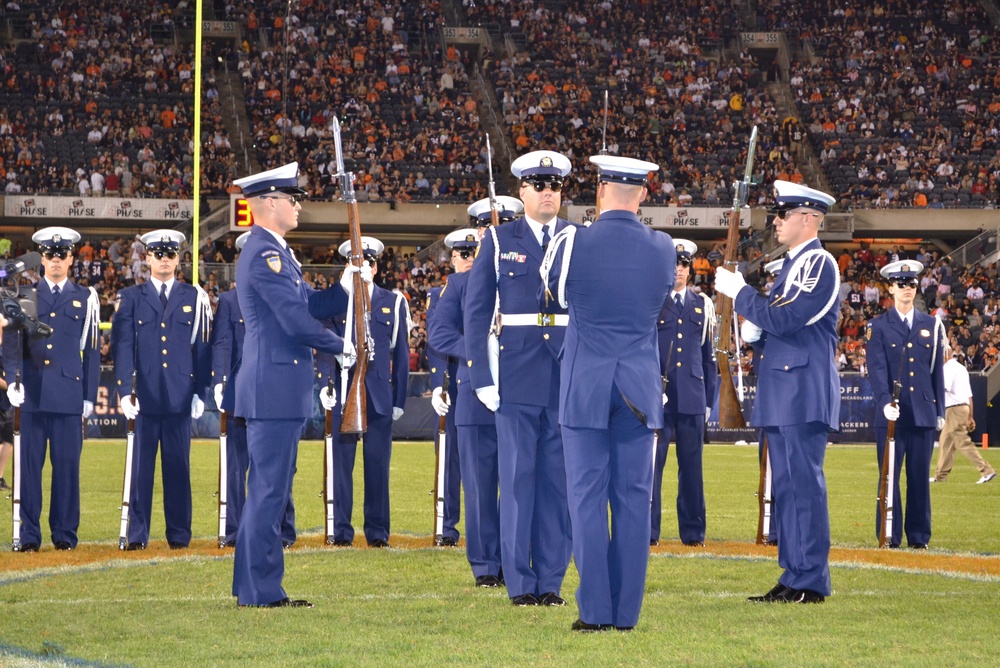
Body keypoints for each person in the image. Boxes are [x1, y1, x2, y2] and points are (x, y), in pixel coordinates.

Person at [541, 154, 674, 631]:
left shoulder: (570, 242)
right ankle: (626, 614)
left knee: (586, 500)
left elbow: (552, 293)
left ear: (599, 191)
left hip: (585, 387)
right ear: (642, 193)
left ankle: (595, 612)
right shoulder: (664, 248)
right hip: (638, 389)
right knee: (635, 500)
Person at [230, 162, 352, 608]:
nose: (298, 205)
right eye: (292, 198)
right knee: (269, 493)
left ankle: (252, 587)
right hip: (274, 387)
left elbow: (312, 304)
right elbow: (296, 321)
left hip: (276, 386)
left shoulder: (275, 252)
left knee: (268, 491)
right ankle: (261, 591)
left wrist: (344, 285)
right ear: (268, 203)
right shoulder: (266, 255)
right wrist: (341, 345)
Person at [715, 180, 840, 603]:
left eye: (783, 215)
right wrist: (755, 334)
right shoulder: (791, 266)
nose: (776, 222)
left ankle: (810, 580)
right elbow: (779, 327)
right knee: (785, 488)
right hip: (783, 389)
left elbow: (790, 319)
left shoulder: (819, 264)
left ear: (808, 219)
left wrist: (743, 295)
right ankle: (793, 574)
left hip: (802, 390)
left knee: (803, 486)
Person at [464, 150, 576, 607]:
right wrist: (482, 378)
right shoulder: (497, 239)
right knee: (516, 481)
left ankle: (550, 581)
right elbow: (475, 314)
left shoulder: (576, 238)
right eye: (539, 184)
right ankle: (520, 583)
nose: (548, 192)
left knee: (557, 484)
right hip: (514, 376)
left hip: (565, 374)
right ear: (522, 191)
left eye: (554, 185)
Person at [111, 229, 212, 551]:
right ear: (148, 258)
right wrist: (124, 389)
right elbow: (123, 347)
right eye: (158, 254)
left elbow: (201, 348)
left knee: (178, 469)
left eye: (170, 254)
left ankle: (179, 535)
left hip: (180, 396)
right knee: (140, 471)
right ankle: (137, 534)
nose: (164, 259)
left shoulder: (194, 296)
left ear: (178, 259)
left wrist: (201, 391)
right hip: (145, 396)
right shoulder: (130, 298)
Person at [3, 227, 100, 551]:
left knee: (67, 472)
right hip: (31, 394)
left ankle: (64, 535)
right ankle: (29, 536)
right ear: (41, 258)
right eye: (49, 254)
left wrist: (89, 395)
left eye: (62, 254)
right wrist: (13, 379)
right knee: (28, 471)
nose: (56, 260)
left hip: (69, 396)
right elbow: (13, 346)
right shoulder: (24, 295)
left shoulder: (87, 298)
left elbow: (92, 350)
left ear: (72, 258)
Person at [316, 236, 409, 549]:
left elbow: (400, 354)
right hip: (345, 391)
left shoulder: (394, 302)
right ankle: (341, 531)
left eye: (369, 262)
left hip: (379, 394)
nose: (363, 267)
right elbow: (325, 348)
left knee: (377, 467)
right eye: (357, 262)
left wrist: (399, 400)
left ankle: (378, 531)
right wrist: (326, 384)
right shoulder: (335, 301)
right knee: (341, 466)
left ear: (377, 266)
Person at [428, 224, 507, 587]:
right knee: (478, 486)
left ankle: (514, 558)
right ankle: (486, 566)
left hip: (518, 394)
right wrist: (479, 351)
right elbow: (439, 334)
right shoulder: (459, 286)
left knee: (518, 485)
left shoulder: (520, 280)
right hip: (474, 396)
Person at [211, 232, 296, 547]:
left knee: (279, 466)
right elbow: (222, 343)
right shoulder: (230, 301)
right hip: (240, 394)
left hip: (277, 395)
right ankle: (234, 531)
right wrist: (219, 381)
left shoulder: (286, 296)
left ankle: (282, 530)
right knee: (236, 467)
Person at [866, 260, 945, 549]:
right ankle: (889, 535)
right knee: (889, 478)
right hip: (891, 415)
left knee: (919, 480)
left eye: (912, 284)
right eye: (902, 284)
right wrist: (885, 401)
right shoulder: (878, 326)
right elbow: (876, 370)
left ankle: (919, 537)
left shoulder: (931, 324)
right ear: (890, 288)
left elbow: (936, 370)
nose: (908, 289)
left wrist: (939, 411)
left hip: (922, 413)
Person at [651, 239, 717, 548]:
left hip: (691, 393)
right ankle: (649, 531)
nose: (679, 268)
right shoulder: (652, 300)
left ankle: (693, 532)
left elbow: (708, 357)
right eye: (675, 263)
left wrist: (708, 400)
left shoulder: (703, 304)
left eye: (684, 264)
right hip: (659, 396)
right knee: (652, 467)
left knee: (692, 468)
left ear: (690, 270)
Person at [932, 347, 996, 484]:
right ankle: (940, 476)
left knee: (962, 441)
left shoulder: (948, 368)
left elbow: (943, 388)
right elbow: (969, 395)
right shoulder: (961, 368)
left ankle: (986, 470)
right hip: (962, 407)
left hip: (953, 409)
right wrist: (970, 416)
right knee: (945, 442)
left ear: (944, 355)